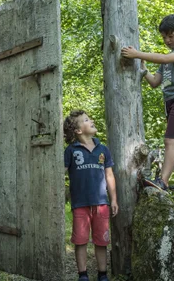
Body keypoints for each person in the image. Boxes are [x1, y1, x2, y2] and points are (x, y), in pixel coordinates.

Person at [121, 13, 174, 193]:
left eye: (171, 36)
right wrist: (143, 69)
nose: (167, 40)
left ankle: (163, 181)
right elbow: (155, 82)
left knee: (169, 140)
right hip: (172, 104)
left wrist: (137, 54)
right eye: (164, 37)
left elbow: (164, 58)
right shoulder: (166, 62)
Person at [64, 110, 118, 281]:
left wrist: (114, 199)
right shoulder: (71, 151)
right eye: (86, 120)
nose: (92, 120)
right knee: (80, 240)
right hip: (80, 203)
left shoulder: (103, 149)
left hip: (102, 203)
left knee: (102, 241)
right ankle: (83, 275)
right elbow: (61, 172)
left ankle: (102, 274)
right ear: (78, 130)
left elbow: (109, 175)